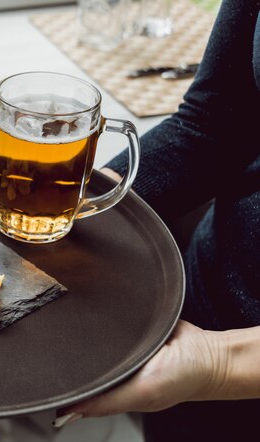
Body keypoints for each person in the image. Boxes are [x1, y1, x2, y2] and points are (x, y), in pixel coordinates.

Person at [53, 0, 260, 439]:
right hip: (202, 306)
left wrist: (222, 362)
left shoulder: (214, 360)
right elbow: (214, 124)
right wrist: (80, 209)